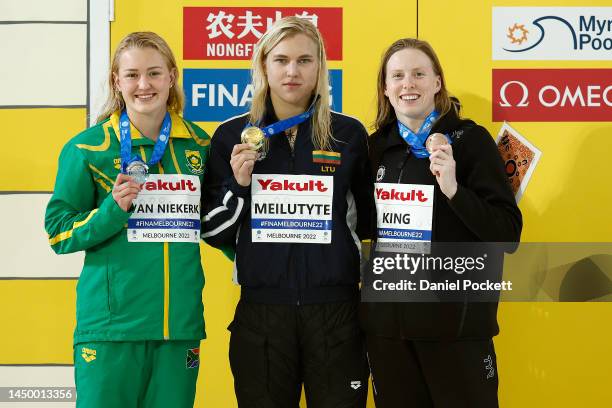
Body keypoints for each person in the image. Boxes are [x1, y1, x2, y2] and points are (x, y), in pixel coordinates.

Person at [201, 17, 372, 408]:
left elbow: (368, 222)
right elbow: (212, 231)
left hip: (336, 312)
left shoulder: (348, 134)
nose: (292, 71)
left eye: (304, 61)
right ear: (263, 65)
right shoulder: (232, 135)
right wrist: (238, 186)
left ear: (320, 67)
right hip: (262, 313)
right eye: (280, 60)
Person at [44, 32, 211, 408]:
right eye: (132, 75)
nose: (144, 84)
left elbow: (218, 223)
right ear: (116, 82)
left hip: (177, 328)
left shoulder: (200, 145)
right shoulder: (88, 148)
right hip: (111, 329)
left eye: (154, 73)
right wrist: (111, 212)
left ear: (171, 77)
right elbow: (58, 233)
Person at [359, 38, 522, 407]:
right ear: (386, 88)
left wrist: (453, 190)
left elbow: (507, 233)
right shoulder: (375, 147)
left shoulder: (470, 141)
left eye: (419, 73)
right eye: (397, 75)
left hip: (456, 330)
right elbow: (362, 227)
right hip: (389, 334)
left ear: (437, 82)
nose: (408, 83)